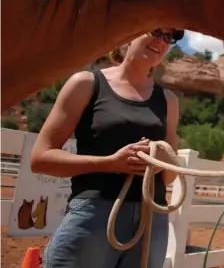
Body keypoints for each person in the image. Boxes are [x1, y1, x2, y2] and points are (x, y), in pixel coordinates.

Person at [30, 28, 184, 268]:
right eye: (156, 30)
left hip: (152, 219)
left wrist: (161, 157)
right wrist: (110, 163)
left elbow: (168, 176)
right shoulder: (86, 84)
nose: (161, 41)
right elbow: (40, 158)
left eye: (169, 38)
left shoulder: (169, 102)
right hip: (95, 213)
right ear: (132, 30)